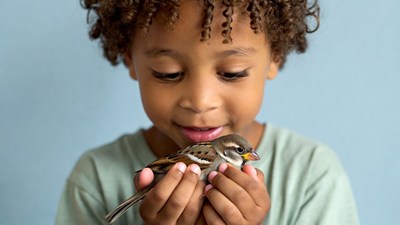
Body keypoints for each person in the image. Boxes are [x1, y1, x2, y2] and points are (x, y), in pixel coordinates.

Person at [55, 0, 359, 224]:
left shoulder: (313, 174)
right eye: (168, 73)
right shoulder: (95, 177)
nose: (200, 102)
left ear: (274, 59)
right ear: (131, 62)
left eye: (232, 72)